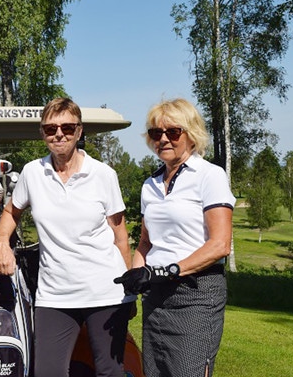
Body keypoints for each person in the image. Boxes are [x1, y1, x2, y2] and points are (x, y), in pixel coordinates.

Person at [0, 97, 136, 377]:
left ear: (79, 131)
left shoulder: (103, 175)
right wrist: (3, 246)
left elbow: (120, 236)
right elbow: (11, 212)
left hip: (104, 291)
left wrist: (129, 292)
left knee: (109, 371)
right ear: (42, 133)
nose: (59, 134)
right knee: (47, 372)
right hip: (55, 295)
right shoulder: (33, 173)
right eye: (51, 128)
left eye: (68, 128)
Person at [114, 98, 235, 377]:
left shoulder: (210, 176)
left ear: (191, 134)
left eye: (173, 132)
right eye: (156, 133)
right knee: (155, 371)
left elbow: (220, 245)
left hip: (196, 293)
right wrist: (134, 285)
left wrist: (167, 271)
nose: (164, 139)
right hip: (155, 296)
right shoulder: (150, 185)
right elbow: (146, 242)